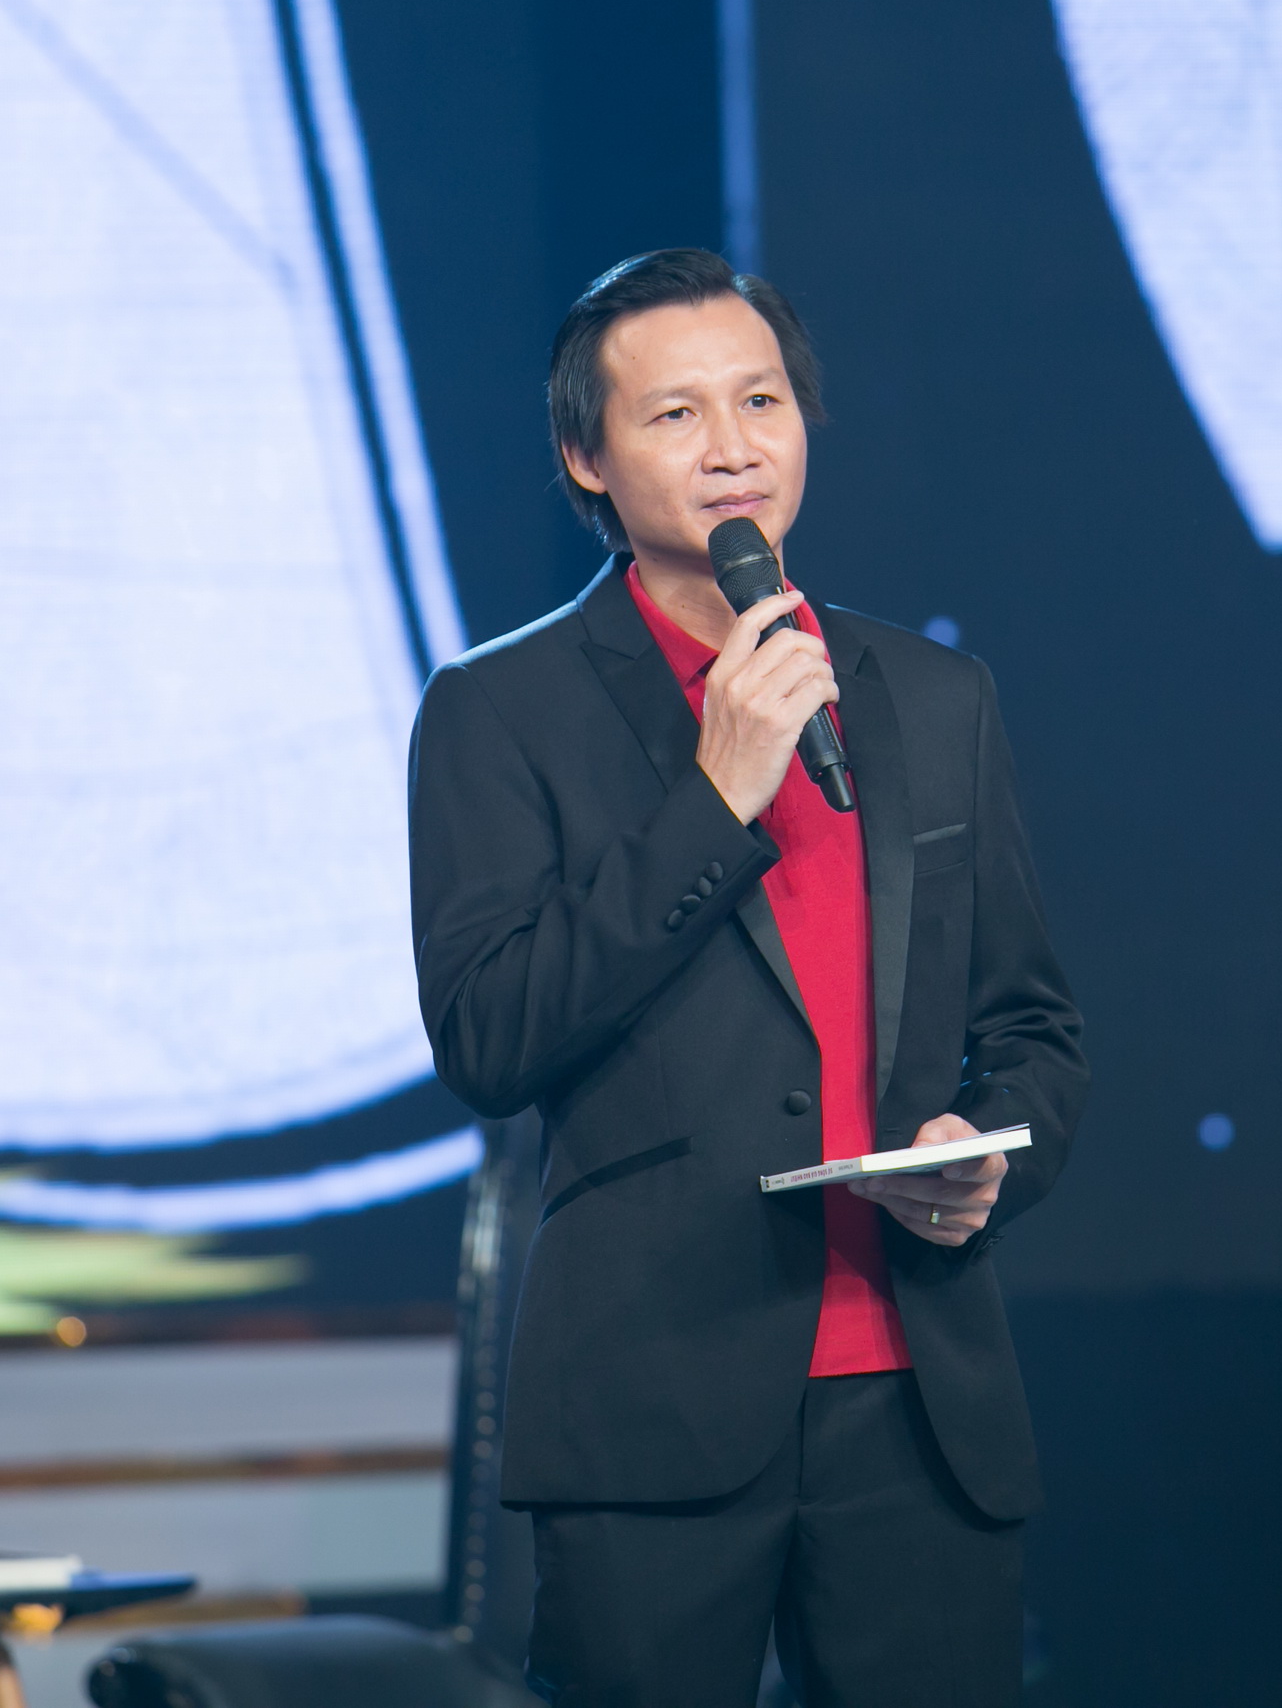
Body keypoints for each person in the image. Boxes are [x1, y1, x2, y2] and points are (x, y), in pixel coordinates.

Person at [407, 248, 1086, 1707]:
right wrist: (715, 799)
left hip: (919, 1402)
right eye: (676, 414)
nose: (733, 447)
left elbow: (1034, 1027)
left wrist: (987, 1153)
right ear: (587, 456)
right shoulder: (497, 710)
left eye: (761, 400)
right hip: (652, 1401)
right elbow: (488, 1036)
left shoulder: (933, 696)